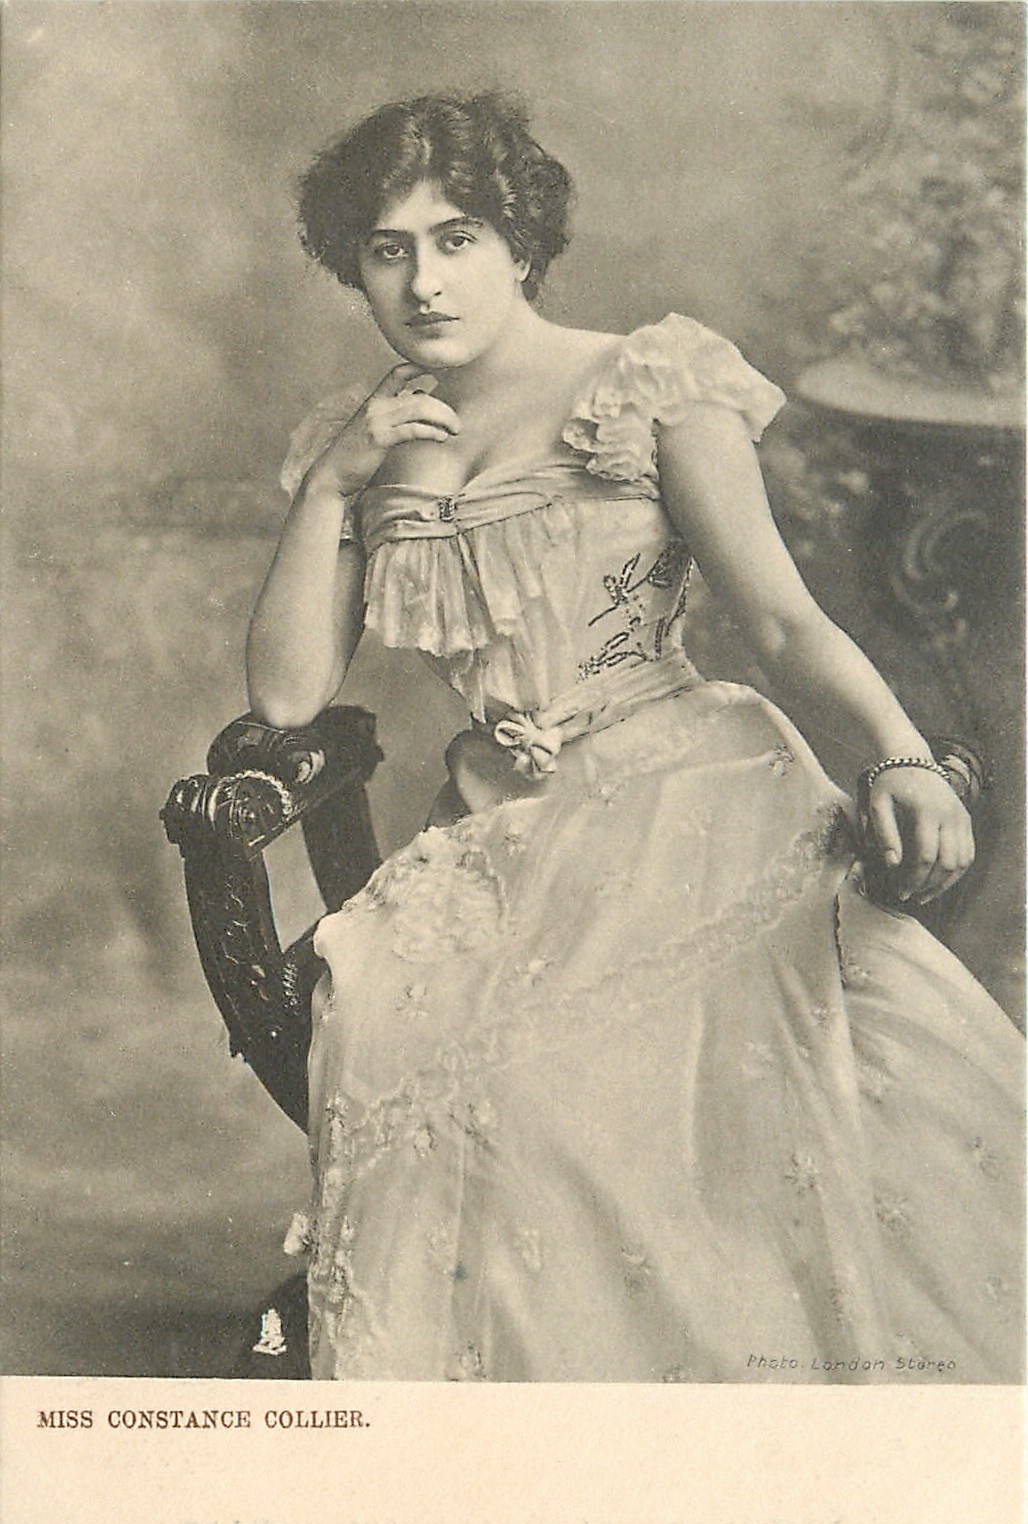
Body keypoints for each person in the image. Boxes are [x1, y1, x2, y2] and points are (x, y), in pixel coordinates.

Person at [247, 92, 1024, 1383]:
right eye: (389, 251)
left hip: (689, 793)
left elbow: (780, 620)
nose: (425, 282)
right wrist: (332, 481)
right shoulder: (367, 440)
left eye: (456, 238)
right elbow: (285, 695)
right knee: (425, 1060)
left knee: (621, 1101)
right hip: (494, 843)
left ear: (519, 244)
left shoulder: (648, 383)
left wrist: (896, 748)